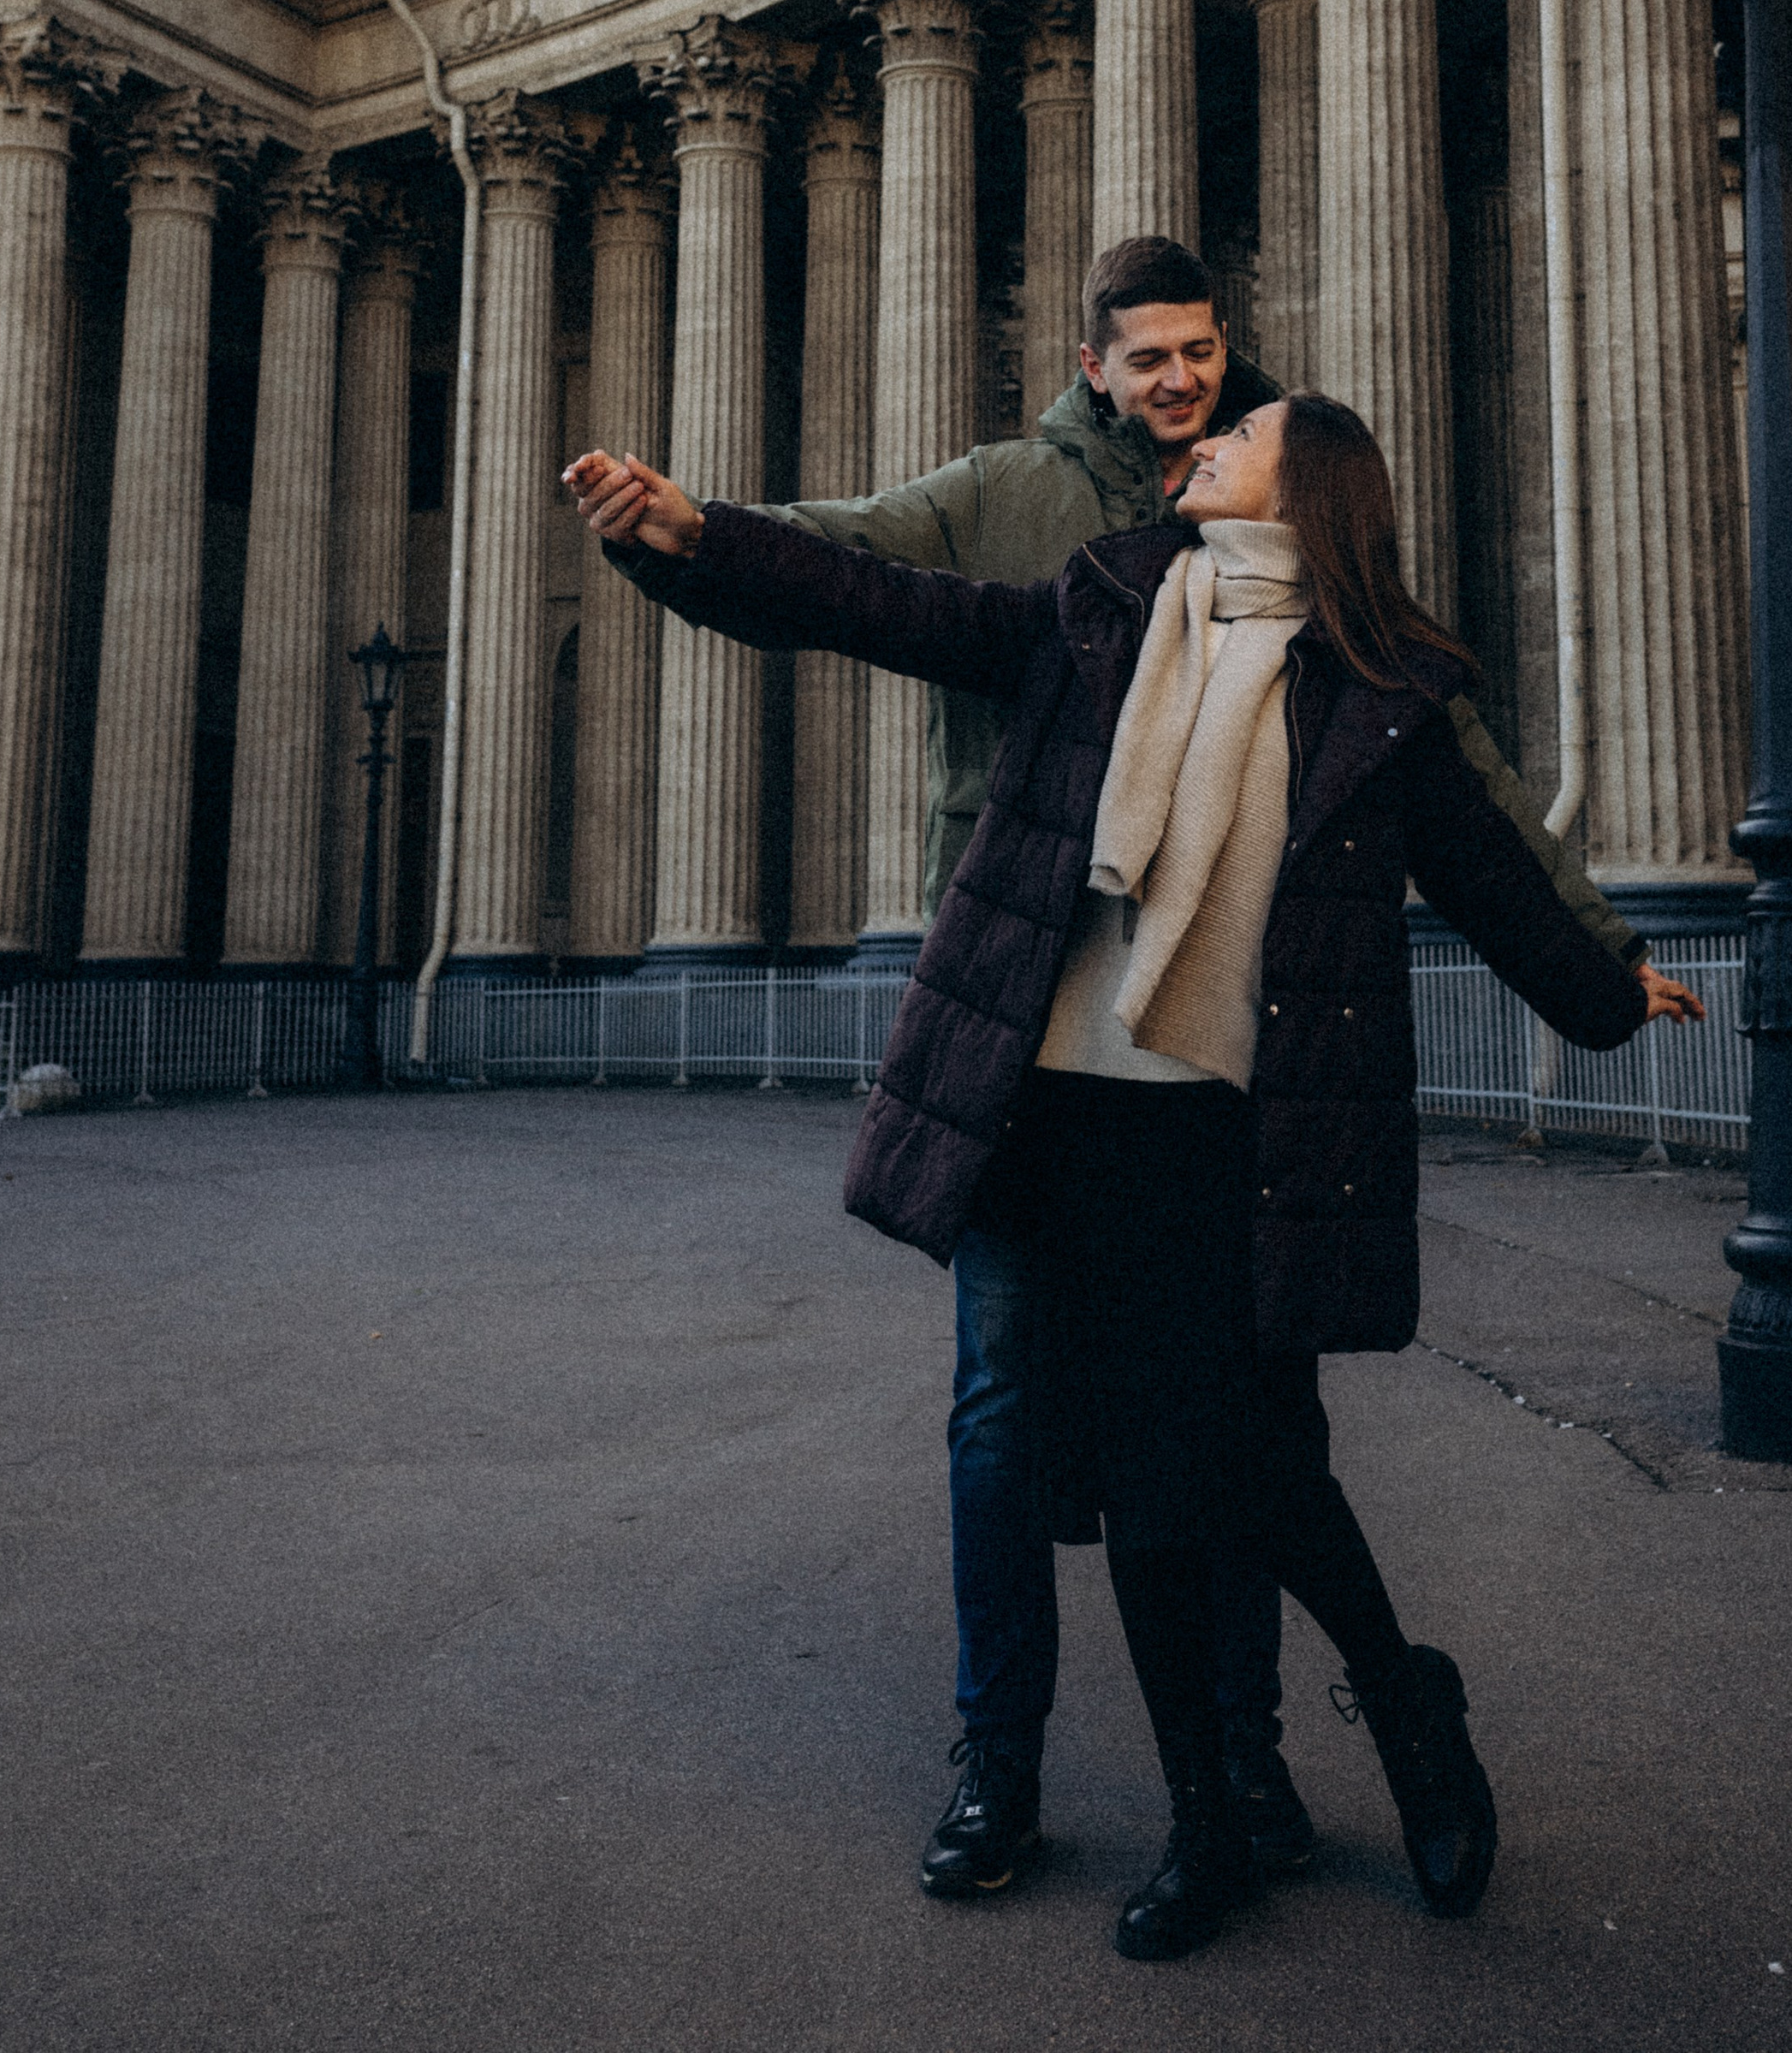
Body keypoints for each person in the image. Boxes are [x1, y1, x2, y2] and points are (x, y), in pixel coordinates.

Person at [569, 389, 1703, 1962]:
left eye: (1236, 440)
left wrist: (1607, 981)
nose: (1203, 446)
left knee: (1262, 1471)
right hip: (1077, 1111)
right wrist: (698, 540)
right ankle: (1209, 1823)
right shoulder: (1105, 610)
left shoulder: (1386, 688)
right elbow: (895, 603)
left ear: (1306, 494)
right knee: (1157, 1493)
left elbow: (1494, 869)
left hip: (1240, 1125)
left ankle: (1402, 1701)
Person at [614, 236, 1310, 1896]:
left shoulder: (1277, 512)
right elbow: (857, 573)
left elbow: (1431, 750)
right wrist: (687, 535)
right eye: (1148, 359)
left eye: (1199, 355)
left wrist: (1583, 948)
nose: (1179, 382)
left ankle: (1241, 1763)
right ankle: (998, 1768)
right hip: (1022, 1026)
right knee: (1001, 1415)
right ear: (1093, 365)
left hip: (1201, 1039)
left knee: (1220, 1418)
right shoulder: (1018, 507)